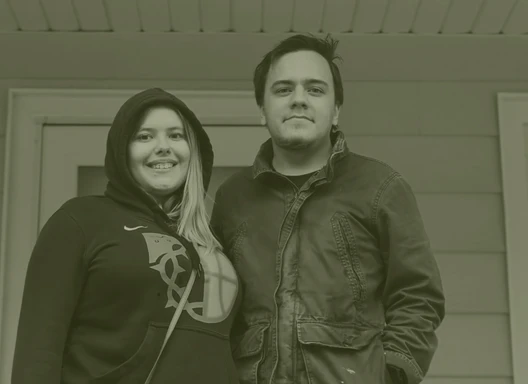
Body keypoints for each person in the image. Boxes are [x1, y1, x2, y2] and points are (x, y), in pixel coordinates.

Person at [210, 34, 445, 384]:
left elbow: (418, 296)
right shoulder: (233, 198)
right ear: (262, 109)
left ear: (335, 111)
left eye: (315, 90)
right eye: (283, 89)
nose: (299, 100)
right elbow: (218, 308)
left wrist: (391, 374)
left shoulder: (380, 187)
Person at [12, 88, 242, 383]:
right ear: (122, 151)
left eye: (176, 135)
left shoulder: (213, 242)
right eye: (144, 137)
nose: (163, 147)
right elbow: (37, 355)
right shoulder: (81, 220)